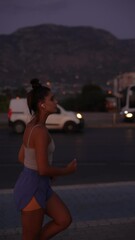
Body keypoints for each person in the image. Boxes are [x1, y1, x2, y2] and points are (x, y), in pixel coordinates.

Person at [14, 78, 77, 240]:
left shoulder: (32, 124)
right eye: (52, 99)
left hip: (40, 184)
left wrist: (48, 173)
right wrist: (66, 171)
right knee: (30, 237)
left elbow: (22, 157)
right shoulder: (40, 132)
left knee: (63, 219)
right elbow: (42, 169)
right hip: (32, 188)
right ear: (42, 104)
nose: (56, 102)